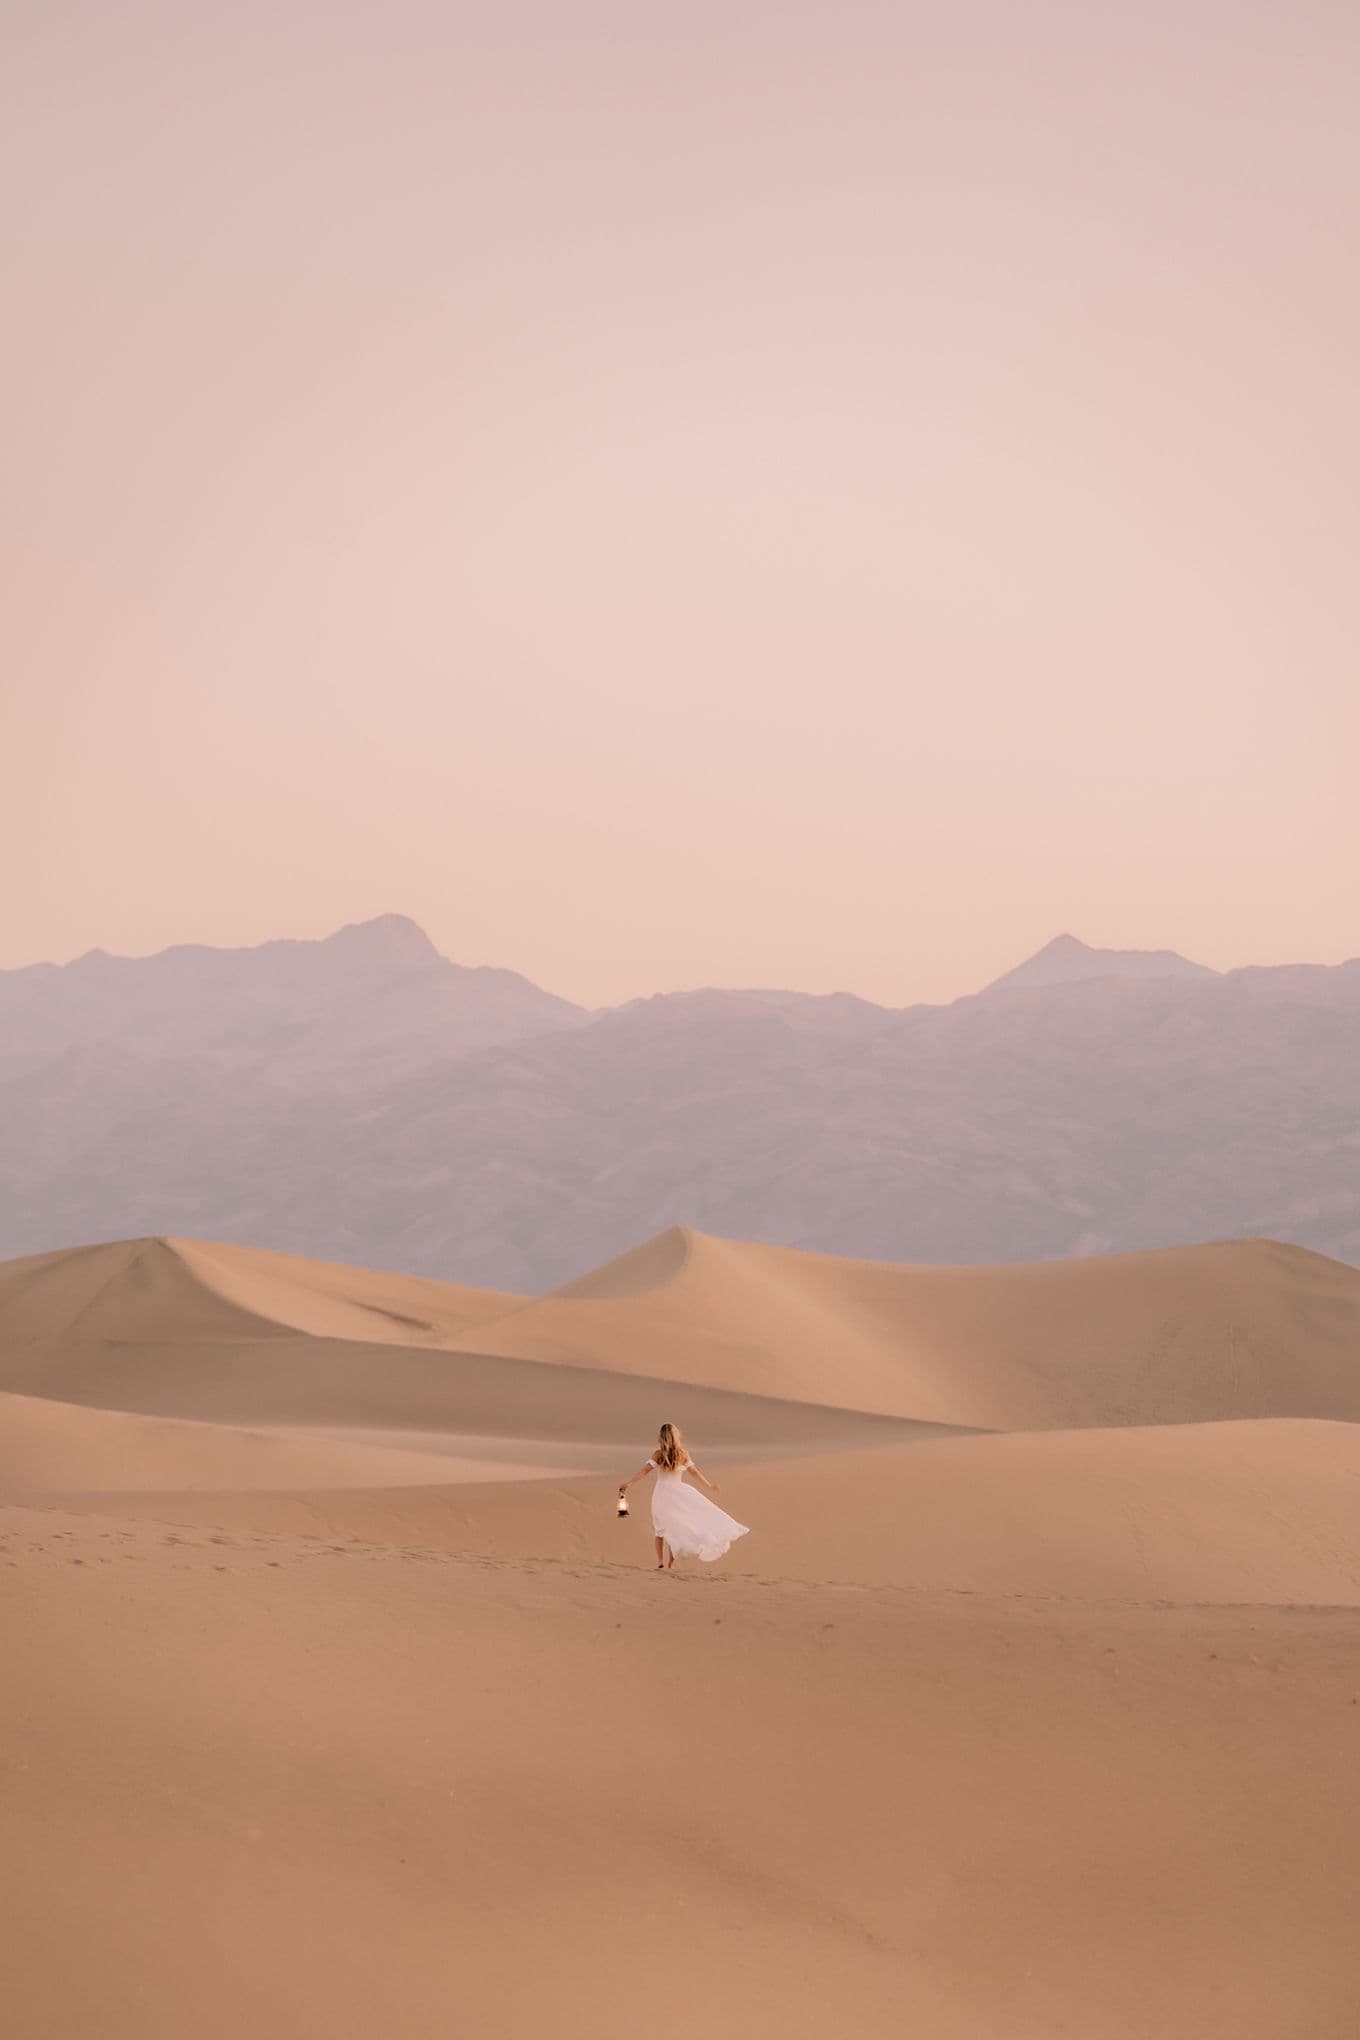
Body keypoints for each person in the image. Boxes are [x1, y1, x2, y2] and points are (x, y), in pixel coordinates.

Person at [618, 1422, 749, 1570]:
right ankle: (671, 1562)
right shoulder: (683, 1454)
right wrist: (709, 1486)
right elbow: (694, 1472)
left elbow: (644, 1471)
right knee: (674, 1528)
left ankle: (660, 1561)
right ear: (676, 1436)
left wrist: (629, 1484)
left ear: (661, 1437)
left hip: (661, 1495)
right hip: (678, 1493)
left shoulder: (658, 1454)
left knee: (660, 1530)